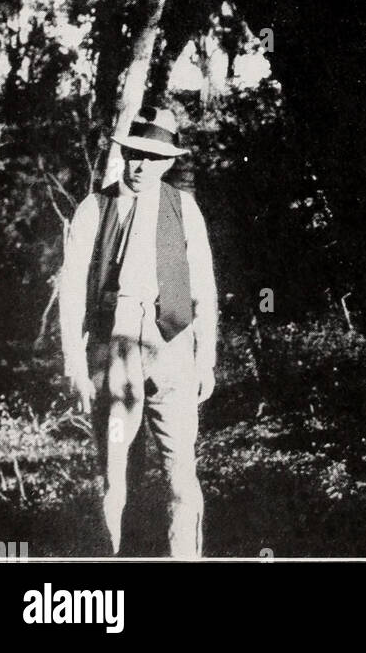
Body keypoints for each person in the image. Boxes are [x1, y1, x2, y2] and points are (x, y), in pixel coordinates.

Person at [59, 104, 217, 558]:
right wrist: (74, 359)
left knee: (181, 471)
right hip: (117, 348)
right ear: (123, 153)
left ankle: (183, 555)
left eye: (153, 157)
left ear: (169, 162)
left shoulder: (184, 208)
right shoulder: (96, 206)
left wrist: (204, 358)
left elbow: (204, 286)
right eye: (133, 153)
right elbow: (71, 287)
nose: (141, 165)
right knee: (115, 471)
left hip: (173, 344)